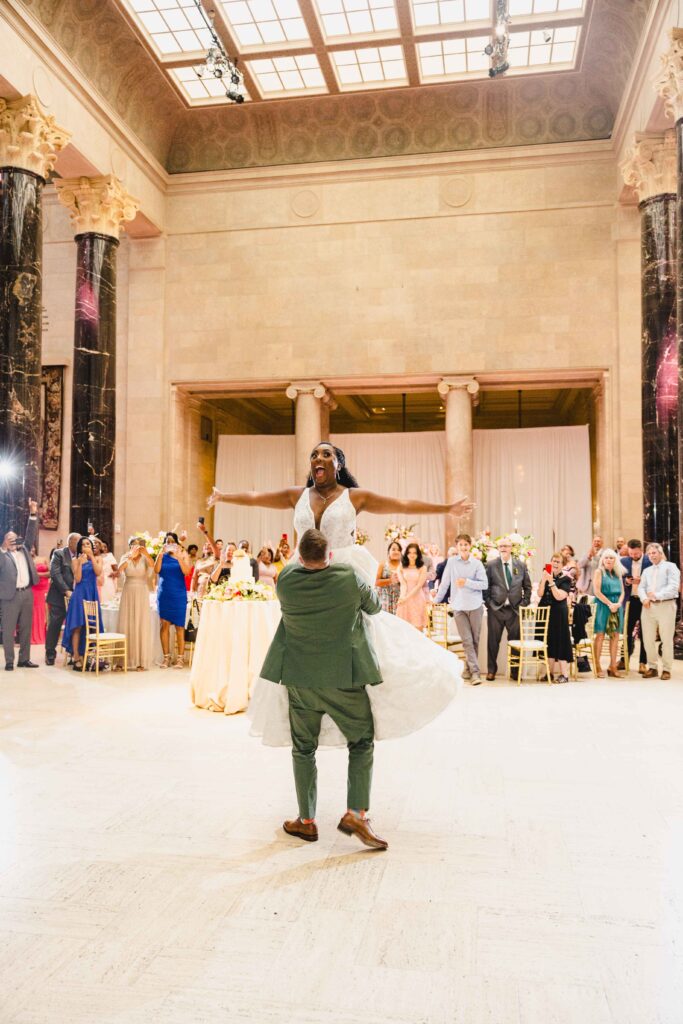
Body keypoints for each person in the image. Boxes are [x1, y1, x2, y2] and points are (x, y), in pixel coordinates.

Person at [210, 441, 470, 746]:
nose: (318, 458)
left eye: (326, 454)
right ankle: (305, 699)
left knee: (357, 633)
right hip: (305, 572)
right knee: (302, 636)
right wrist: (224, 496)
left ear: (339, 464)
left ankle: (356, 693)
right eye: (314, 455)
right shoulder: (298, 495)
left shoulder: (354, 497)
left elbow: (401, 503)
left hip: (343, 570)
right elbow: (256, 498)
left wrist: (446, 509)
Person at [262, 528, 387, 849]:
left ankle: (306, 821)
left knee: (303, 748)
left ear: (300, 556)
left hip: (299, 677)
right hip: (343, 676)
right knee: (361, 742)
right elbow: (374, 607)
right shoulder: (348, 576)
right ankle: (356, 812)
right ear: (329, 555)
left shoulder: (285, 579)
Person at [435, 532, 488, 685]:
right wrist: (436, 602)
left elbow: (484, 584)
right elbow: (444, 584)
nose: (463, 547)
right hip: (458, 606)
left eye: (466, 544)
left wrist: (467, 582)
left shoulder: (477, 564)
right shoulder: (451, 562)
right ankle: (476, 674)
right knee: (467, 640)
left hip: (475, 606)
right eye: (460, 545)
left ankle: (468, 669)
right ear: (457, 547)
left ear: (470, 546)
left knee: (474, 640)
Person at [0, 499, 40, 670]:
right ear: (4, 541)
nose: (13, 541)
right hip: (10, 596)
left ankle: (24, 659)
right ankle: (9, 661)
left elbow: (31, 532)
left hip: (27, 594)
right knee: (8, 630)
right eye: (9, 539)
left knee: (26, 628)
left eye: (15, 538)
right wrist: (2, 548)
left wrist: (33, 513)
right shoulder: (2, 555)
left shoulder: (24, 549)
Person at [484, 537, 532, 680]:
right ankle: (491, 670)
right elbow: (485, 588)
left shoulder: (521, 565)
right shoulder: (491, 565)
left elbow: (527, 587)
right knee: (492, 642)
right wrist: (490, 605)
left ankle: (515, 672)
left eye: (506, 546)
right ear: (498, 548)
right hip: (496, 610)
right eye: (501, 546)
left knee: (516, 642)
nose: (504, 548)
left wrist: (523, 604)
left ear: (511, 548)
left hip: (515, 610)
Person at [638, 543, 681, 680]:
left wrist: (656, 596)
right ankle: (652, 667)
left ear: (661, 553)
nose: (651, 556)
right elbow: (641, 587)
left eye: (654, 553)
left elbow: (673, 587)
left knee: (666, 638)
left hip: (666, 605)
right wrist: (645, 598)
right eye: (649, 554)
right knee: (647, 639)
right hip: (648, 607)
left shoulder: (671, 567)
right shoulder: (647, 571)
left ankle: (667, 669)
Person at [62, 537, 103, 670]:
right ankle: (76, 657)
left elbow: (98, 572)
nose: (86, 546)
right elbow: (78, 579)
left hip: (92, 594)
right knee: (78, 626)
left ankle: (89, 656)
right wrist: (80, 562)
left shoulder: (98, 559)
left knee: (91, 626)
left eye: (88, 544)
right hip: (79, 595)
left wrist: (91, 557)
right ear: (79, 548)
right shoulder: (75, 560)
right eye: (83, 544)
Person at [118, 537, 155, 670]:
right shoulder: (125, 556)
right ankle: (122, 660)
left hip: (141, 591)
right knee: (126, 623)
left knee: (140, 623)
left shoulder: (145, 558)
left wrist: (146, 554)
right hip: (128, 590)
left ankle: (141, 661)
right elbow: (119, 570)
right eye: (133, 545)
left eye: (138, 545)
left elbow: (153, 568)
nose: (135, 547)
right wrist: (129, 558)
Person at [155, 532, 191, 669]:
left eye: (172, 541)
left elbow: (187, 572)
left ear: (176, 543)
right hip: (164, 593)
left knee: (179, 626)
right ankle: (166, 658)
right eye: (167, 541)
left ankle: (180, 659)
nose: (169, 544)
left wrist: (178, 557)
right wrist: (160, 553)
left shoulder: (182, 554)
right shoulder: (162, 555)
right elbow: (157, 570)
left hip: (178, 594)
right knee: (164, 625)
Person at [538, 553, 574, 683]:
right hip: (546, 613)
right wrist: (544, 579)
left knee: (561, 641)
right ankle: (550, 673)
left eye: (558, 562)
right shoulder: (547, 576)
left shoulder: (566, 579)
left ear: (562, 565)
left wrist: (552, 583)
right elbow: (540, 593)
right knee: (549, 642)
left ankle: (565, 675)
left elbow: (559, 596)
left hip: (559, 613)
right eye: (553, 561)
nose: (555, 563)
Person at [45, 532, 80, 665]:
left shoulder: (81, 556)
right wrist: (66, 590)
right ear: (70, 542)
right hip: (58, 596)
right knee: (55, 625)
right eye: (77, 542)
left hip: (75, 598)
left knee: (75, 625)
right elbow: (55, 573)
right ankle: (50, 653)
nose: (79, 545)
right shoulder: (59, 554)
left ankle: (73, 653)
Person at [592, 548, 624, 678]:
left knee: (615, 636)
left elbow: (622, 592)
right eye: (606, 558)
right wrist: (610, 604)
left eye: (611, 558)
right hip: (603, 605)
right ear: (602, 560)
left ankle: (613, 666)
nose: (609, 560)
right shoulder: (599, 572)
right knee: (600, 635)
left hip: (616, 606)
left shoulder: (618, 573)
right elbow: (597, 592)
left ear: (615, 560)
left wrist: (618, 604)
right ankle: (597, 665)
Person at [620, 539, 651, 673]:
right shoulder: (623, 561)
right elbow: (618, 578)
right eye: (631, 554)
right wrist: (626, 581)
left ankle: (643, 662)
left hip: (645, 601)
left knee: (645, 632)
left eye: (636, 554)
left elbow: (655, 581)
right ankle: (623, 659)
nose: (633, 556)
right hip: (630, 600)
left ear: (641, 550)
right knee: (627, 631)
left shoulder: (649, 561)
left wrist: (642, 581)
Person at [396, 542, 428, 629]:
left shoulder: (422, 568)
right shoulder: (401, 567)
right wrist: (402, 597)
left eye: (414, 553)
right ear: (406, 554)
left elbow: (418, 586)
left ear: (418, 554)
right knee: (404, 628)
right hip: (405, 598)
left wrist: (406, 598)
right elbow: (403, 584)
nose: (412, 555)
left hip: (418, 598)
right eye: (409, 552)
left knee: (418, 628)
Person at [375, 540, 402, 614]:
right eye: (393, 549)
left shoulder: (403, 566)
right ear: (388, 552)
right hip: (384, 599)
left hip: (399, 599)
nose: (396, 552)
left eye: (398, 550)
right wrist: (390, 580)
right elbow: (376, 582)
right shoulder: (383, 564)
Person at [31, 546, 50, 645]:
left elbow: (50, 573)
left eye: (33, 547)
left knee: (45, 611)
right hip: (34, 589)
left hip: (45, 588)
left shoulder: (44, 558)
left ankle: (45, 636)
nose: (32, 549)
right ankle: (34, 636)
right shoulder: (27, 561)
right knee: (35, 612)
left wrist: (37, 574)